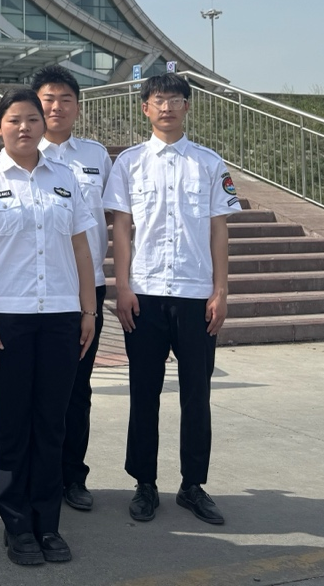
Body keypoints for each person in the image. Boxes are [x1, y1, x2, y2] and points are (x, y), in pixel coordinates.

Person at [0, 88, 97, 567]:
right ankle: (17, 527)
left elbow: (81, 249)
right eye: (15, 120)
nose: (25, 127)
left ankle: (47, 524)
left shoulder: (66, 178)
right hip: (6, 319)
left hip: (60, 317)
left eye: (33, 119)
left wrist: (89, 312)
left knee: (51, 424)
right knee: (11, 426)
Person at [102, 72, 238, 526]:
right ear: (145, 108)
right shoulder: (129, 163)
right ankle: (144, 483)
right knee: (144, 392)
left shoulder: (209, 163)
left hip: (196, 296)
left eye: (175, 99)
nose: (167, 107)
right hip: (144, 294)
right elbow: (121, 229)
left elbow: (219, 230)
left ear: (187, 106)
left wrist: (220, 290)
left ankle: (192, 485)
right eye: (158, 100)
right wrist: (123, 286)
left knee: (197, 394)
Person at [31, 64, 112, 513]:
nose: (56, 107)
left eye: (65, 99)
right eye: (48, 98)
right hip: (33, 291)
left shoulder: (96, 156)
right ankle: (35, 476)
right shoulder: (20, 153)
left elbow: (111, 220)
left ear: (78, 107)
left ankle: (72, 476)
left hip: (86, 290)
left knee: (77, 388)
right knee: (33, 392)